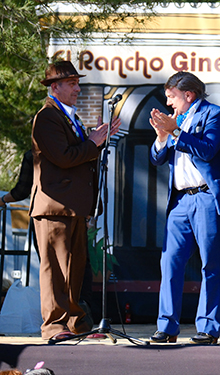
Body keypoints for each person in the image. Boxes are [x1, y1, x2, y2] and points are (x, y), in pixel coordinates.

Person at [30, 60, 121, 341]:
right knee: (55, 269)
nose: (77, 89)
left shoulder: (69, 116)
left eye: (77, 83)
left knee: (75, 269)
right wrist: (92, 142)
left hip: (74, 207)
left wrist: (98, 139)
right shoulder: (47, 117)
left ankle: (76, 325)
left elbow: (81, 153)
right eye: (72, 84)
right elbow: (63, 157)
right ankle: (54, 326)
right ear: (54, 87)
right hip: (54, 207)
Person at [149, 71, 220, 345]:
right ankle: (167, 326)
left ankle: (208, 328)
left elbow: (209, 149)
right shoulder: (175, 120)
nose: (169, 102)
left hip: (206, 197)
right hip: (179, 201)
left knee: (210, 263)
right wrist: (163, 136)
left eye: (171, 96)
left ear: (189, 95)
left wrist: (175, 130)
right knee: (170, 263)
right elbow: (157, 158)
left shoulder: (215, 114)